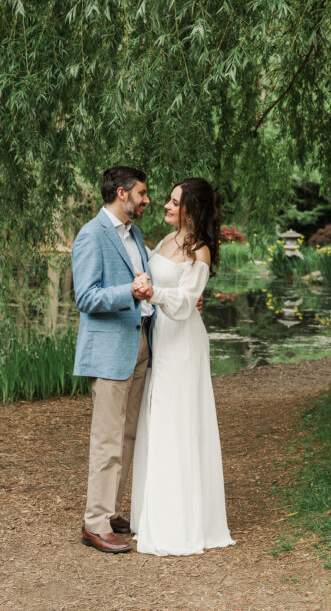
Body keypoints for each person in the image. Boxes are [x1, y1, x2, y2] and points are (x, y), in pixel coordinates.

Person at [130, 176, 235, 556]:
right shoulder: (164, 241)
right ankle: (154, 512)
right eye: (168, 202)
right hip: (162, 338)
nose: (167, 207)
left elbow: (187, 301)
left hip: (185, 341)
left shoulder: (200, 251)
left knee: (179, 421)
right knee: (159, 418)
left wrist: (153, 293)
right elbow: (150, 268)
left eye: (175, 202)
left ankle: (183, 520)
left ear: (192, 208)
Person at [72, 166, 155, 555]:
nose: (146, 199)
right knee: (107, 441)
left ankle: (109, 514)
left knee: (128, 436)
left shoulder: (134, 234)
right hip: (109, 352)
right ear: (122, 194)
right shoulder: (91, 235)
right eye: (142, 192)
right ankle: (94, 524)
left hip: (139, 344)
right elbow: (86, 297)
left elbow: (147, 280)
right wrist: (130, 293)